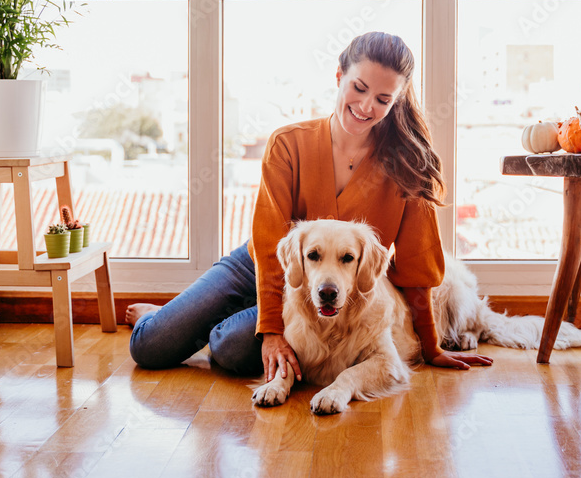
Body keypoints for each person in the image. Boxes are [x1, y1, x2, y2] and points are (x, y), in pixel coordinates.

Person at [126, 31, 493, 382]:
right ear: (339, 76)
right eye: (359, 88)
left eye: (383, 99)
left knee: (231, 348)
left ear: (396, 100)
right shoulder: (287, 144)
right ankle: (167, 319)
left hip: (326, 290)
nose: (366, 107)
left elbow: (417, 270)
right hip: (262, 263)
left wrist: (430, 347)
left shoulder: (411, 165)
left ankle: (210, 322)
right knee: (150, 346)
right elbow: (271, 246)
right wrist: (270, 330)